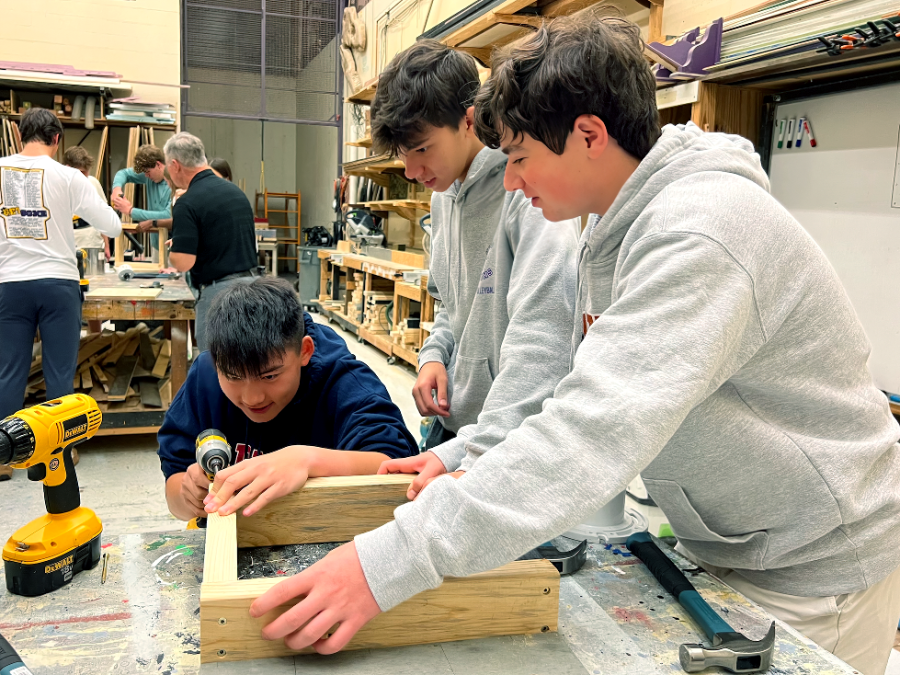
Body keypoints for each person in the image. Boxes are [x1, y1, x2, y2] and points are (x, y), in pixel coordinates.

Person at [241, 15, 900, 674]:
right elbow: (575, 383)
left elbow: (594, 429)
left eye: (521, 157)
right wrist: (468, 448)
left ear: (589, 134)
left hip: (813, 565)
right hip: (736, 542)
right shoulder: (613, 229)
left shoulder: (700, 235)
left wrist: (383, 563)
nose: (510, 181)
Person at [369, 40, 580, 500]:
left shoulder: (526, 191)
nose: (410, 169)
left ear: (468, 119)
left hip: (511, 442)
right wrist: (432, 357)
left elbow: (544, 339)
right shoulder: (444, 197)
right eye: (404, 153)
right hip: (457, 433)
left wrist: (478, 454)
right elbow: (450, 305)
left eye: (422, 148)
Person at [158, 277, 418, 521]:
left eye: (269, 376)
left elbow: (396, 466)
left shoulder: (343, 382)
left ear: (304, 351)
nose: (253, 398)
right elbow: (175, 486)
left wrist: (306, 460)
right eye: (234, 377)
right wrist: (189, 496)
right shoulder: (206, 375)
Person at [0, 109, 121, 480]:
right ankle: (57, 452)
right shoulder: (70, 177)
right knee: (59, 372)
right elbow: (112, 227)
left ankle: (3, 455)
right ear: (57, 140)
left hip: (9, 283)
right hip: (58, 283)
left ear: (21, 137)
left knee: (8, 371)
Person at [164, 132, 258, 351]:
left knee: (214, 368)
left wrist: (177, 250)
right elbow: (223, 238)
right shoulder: (235, 192)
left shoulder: (187, 202)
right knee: (245, 362)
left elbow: (183, 262)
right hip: (251, 288)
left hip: (219, 297)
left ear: (176, 165)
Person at [110, 144, 173, 254]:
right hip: (156, 246)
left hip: (173, 246)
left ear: (158, 164)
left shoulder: (174, 183)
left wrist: (131, 211)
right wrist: (117, 189)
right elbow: (123, 173)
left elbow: (168, 216)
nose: (146, 176)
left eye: (148, 172)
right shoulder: (148, 175)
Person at [63, 146, 111, 260]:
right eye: (81, 172)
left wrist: (107, 246)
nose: (84, 176)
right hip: (69, 244)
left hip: (93, 242)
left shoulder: (93, 183)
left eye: (86, 172)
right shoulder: (58, 186)